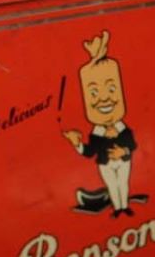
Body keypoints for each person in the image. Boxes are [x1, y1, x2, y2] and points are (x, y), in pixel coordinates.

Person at [61, 30, 146, 217]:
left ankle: (124, 206)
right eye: (93, 94)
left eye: (111, 89)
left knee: (123, 182)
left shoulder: (123, 128)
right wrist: (76, 143)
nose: (104, 99)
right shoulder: (96, 132)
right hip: (105, 163)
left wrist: (123, 151)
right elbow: (90, 152)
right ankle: (117, 208)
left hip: (123, 160)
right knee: (112, 184)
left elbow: (133, 144)